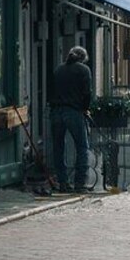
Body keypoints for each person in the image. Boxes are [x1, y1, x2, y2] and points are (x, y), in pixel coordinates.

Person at [48, 46, 93, 193]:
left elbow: (50, 91)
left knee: (58, 148)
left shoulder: (58, 70)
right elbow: (87, 93)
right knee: (82, 147)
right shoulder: (84, 70)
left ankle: (63, 182)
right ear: (83, 58)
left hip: (56, 111)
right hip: (74, 111)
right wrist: (85, 108)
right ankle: (80, 183)